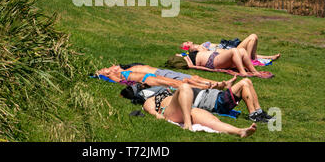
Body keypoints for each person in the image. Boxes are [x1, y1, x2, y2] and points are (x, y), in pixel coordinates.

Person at [141, 83, 257, 138]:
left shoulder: (169, 93)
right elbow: (150, 109)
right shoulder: (152, 99)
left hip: (188, 110)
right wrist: (158, 115)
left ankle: (240, 131)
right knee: (184, 87)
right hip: (169, 111)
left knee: (213, 121)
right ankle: (187, 124)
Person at [96, 66, 235, 90]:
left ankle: (211, 85)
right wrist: (103, 74)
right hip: (147, 80)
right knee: (178, 84)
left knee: (184, 81)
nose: (105, 69)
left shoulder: (118, 72)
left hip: (151, 76)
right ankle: (207, 87)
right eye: (102, 70)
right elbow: (122, 82)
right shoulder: (113, 77)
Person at [178, 42, 268, 77]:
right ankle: (242, 72)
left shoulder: (197, 50)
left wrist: (198, 48)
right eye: (186, 43)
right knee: (233, 50)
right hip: (212, 61)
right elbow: (190, 66)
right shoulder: (187, 57)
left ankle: (254, 71)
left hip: (216, 57)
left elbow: (204, 50)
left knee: (242, 50)